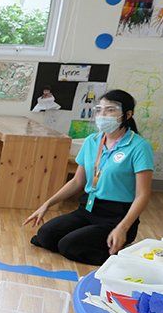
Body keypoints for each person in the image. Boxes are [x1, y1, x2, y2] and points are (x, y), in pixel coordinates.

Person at [26, 90, 154, 265]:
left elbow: (143, 195)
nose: (103, 115)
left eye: (110, 110)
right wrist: (47, 204)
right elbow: (77, 181)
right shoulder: (91, 141)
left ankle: (122, 255)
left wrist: (122, 228)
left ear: (128, 114)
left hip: (116, 216)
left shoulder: (139, 147)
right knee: (46, 235)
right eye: (100, 110)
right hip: (87, 209)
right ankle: (90, 239)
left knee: (68, 246)